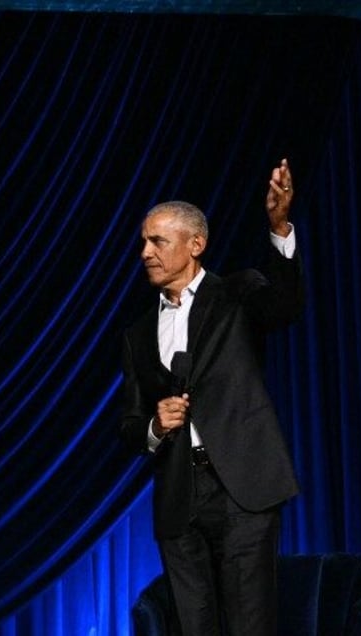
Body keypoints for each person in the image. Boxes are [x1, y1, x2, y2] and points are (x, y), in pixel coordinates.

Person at [119, 159, 303, 635]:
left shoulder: (237, 294)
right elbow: (129, 422)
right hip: (180, 494)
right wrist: (156, 425)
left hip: (243, 486)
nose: (145, 252)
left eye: (157, 241)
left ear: (195, 244)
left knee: (248, 624)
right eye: (144, 241)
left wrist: (279, 228)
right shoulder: (138, 333)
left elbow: (285, 306)